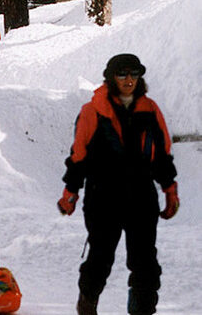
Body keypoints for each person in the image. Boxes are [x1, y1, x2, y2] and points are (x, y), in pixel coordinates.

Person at [58, 54, 179, 315]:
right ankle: (87, 303)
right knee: (100, 258)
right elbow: (78, 156)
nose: (129, 80)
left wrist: (170, 190)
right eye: (122, 74)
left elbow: (162, 155)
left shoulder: (150, 109)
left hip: (142, 197)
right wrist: (71, 193)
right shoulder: (92, 111)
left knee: (145, 262)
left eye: (134, 74)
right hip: (103, 198)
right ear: (111, 77)